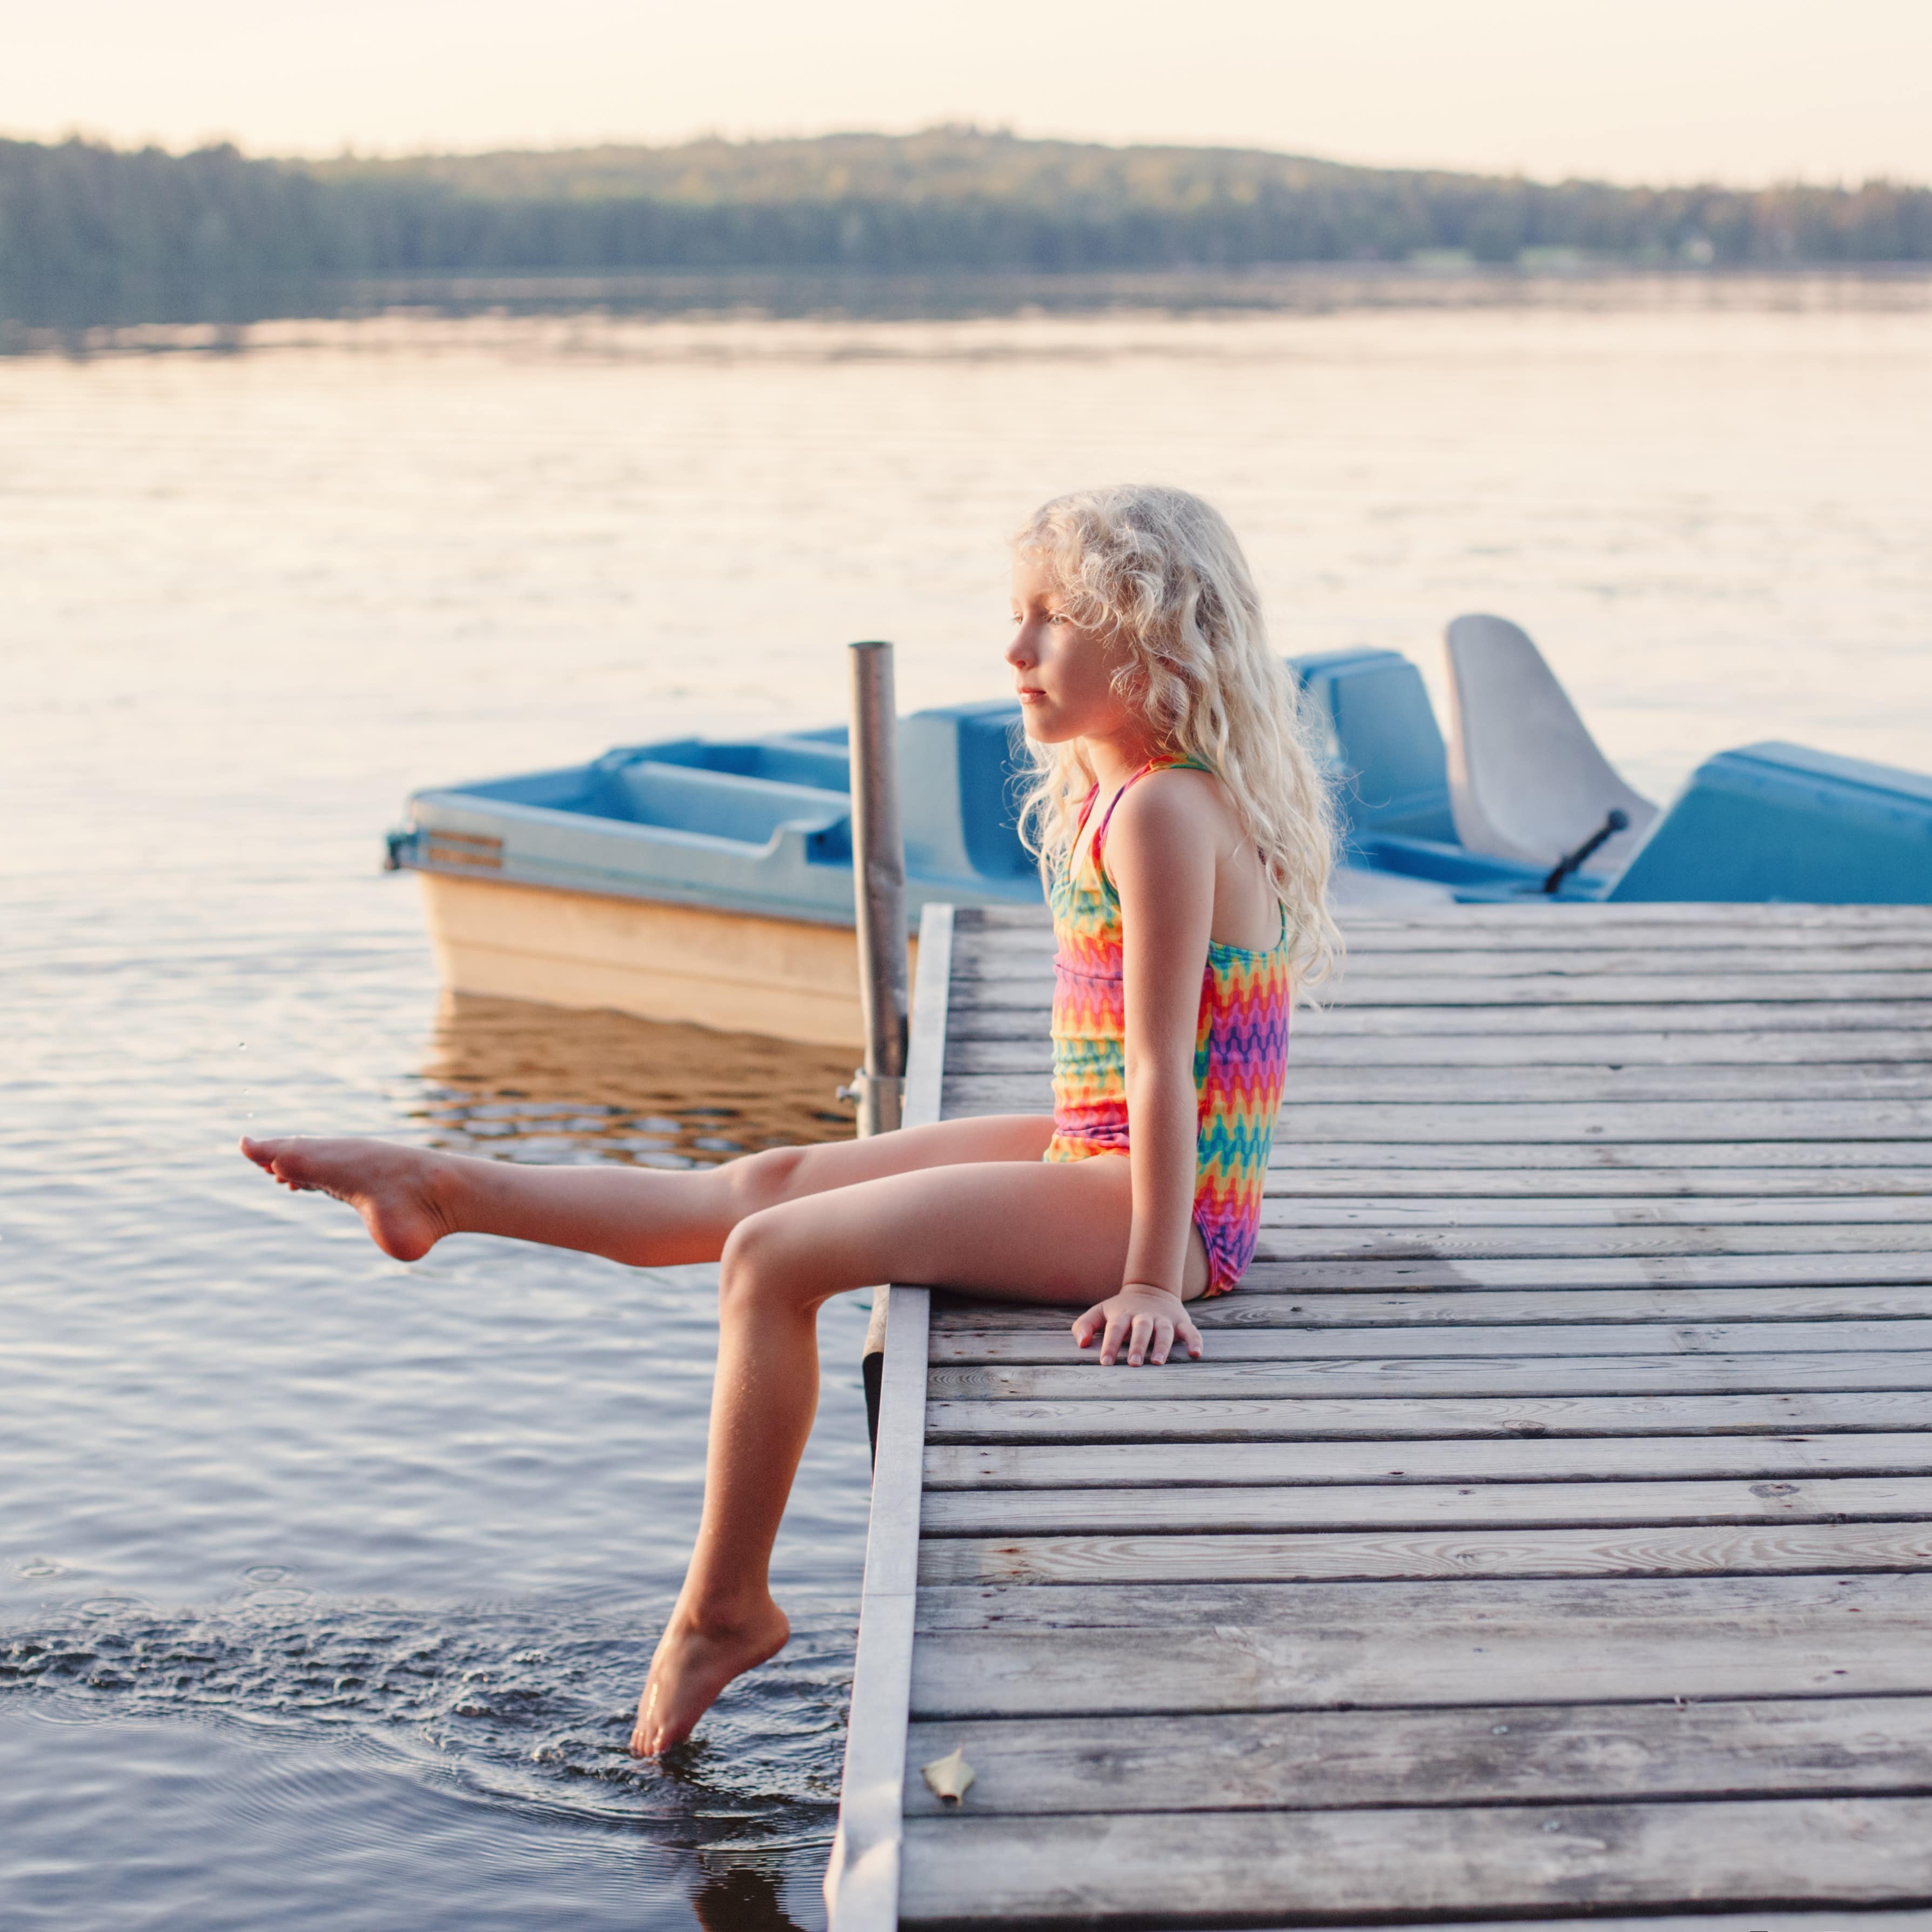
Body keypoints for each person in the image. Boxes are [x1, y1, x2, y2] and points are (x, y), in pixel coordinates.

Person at [239, 483, 1339, 1755]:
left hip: (1168, 1212)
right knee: (771, 1182)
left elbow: (1164, 1068)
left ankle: (727, 1607)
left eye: (1051, 622)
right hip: (1103, 1157)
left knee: (772, 1261)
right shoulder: (1124, 792)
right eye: (1018, 616)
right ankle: (446, 1189)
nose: (1014, 651)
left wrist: (1154, 1281)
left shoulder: (1162, 810)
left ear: (1152, 642)